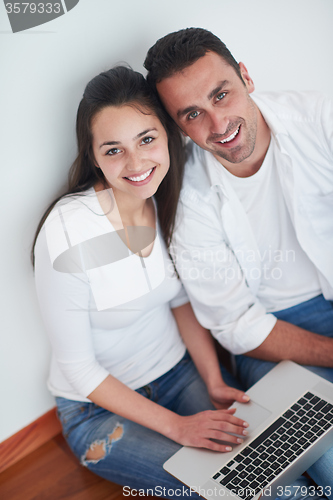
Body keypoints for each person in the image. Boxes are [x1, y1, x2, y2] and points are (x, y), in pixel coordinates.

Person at [32, 66, 251, 498]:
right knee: (217, 490)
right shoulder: (67, 233)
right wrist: (178, 427)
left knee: (266, 469)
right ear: (93, 156)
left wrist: (212, 379)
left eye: (146, 139)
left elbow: (180, 301)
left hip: (178, 373)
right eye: (113, 150)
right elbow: (78, 369)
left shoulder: (172, 197)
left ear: (167, 135)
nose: (136, 164)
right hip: (95, 410)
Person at [144, 28, 333, 492]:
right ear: (178, 126)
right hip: (276, 335)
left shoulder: (320, 118)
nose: (218, 124)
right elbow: (237, 326)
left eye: (221, 94)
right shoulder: (184, 196)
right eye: (193, 114)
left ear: (245, 77)